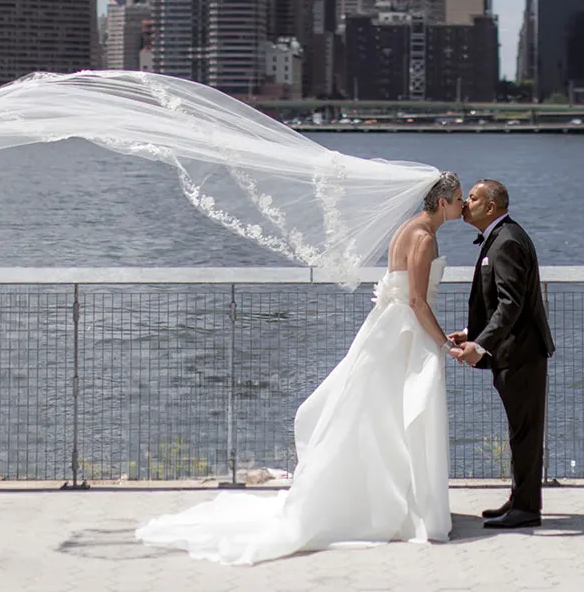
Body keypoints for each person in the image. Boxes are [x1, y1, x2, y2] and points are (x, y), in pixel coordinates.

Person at [134, 172, 466, 565]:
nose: (463, 205)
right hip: (406, 336)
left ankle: (392, 501)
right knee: (404, 417)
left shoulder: (406, 229)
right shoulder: (424, 237)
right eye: (459, 199)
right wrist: (444, 343)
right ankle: (403, 506)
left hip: (388, 330)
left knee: (383, 418)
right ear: (442, 202)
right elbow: (417, 301)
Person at [448, 178, 555, 529]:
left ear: (491, 207)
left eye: (473, 198)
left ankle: (526, 509)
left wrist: (480, 346)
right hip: (514, 351)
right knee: (520, 431)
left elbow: (511, 304)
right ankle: (520, 499)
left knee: (525, 433)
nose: (466, 203)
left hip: (521, 354)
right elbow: (500, 304)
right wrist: (472, 334)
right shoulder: (501, 236)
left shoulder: (506, 241)